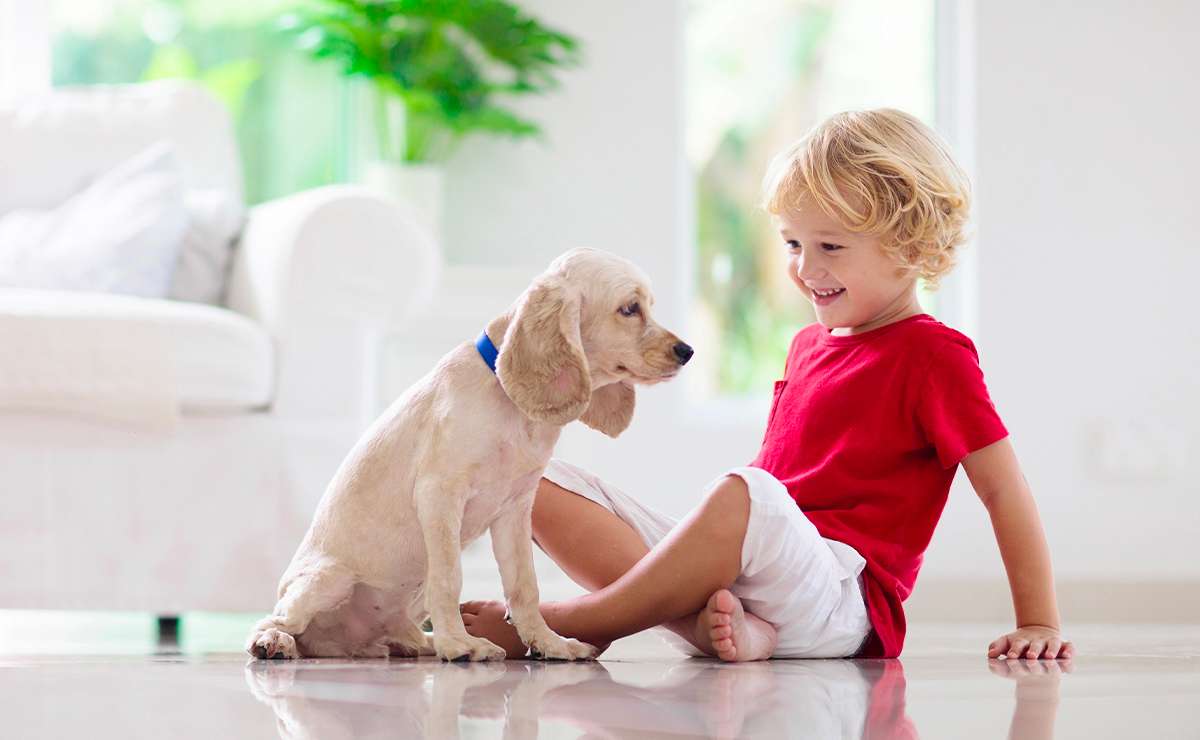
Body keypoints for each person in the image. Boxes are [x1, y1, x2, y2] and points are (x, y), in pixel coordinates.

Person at [462, 109, 1074, 662]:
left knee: (745, 492)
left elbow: (1004, 490)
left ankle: (571, 623)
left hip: (839, 598)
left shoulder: (935, 356)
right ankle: (705, 625)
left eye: (830, 246)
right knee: (534, 475)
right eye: (793, 244)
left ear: (909, 247)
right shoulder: (808, 345)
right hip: (759, 575)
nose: (805, 268)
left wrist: (1038, 621)